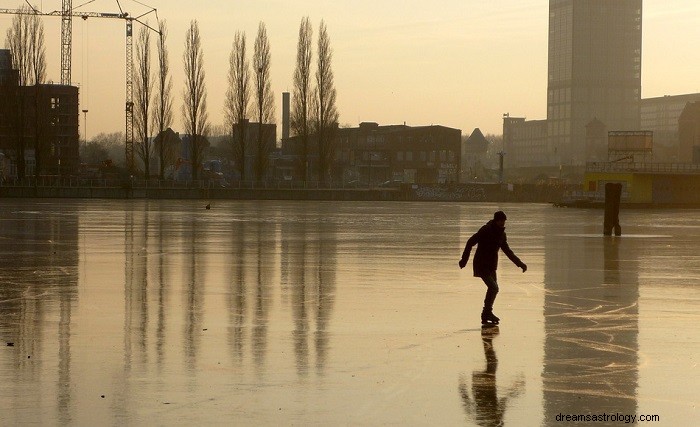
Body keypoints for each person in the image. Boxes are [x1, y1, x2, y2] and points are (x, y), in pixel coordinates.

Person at [459, 211, 527, 324]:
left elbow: (508, 252)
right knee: (493, 288)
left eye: (504, 221)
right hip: (481, 264)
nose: (503, 223)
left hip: (491, 266)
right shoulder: (486, 230)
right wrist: (464, 260)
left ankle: (487, 313)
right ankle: (486, 312)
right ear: (496, 220)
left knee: (494, 289)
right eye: (501, 221)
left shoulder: (501, 234)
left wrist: (520, 264)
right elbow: (470, 242)